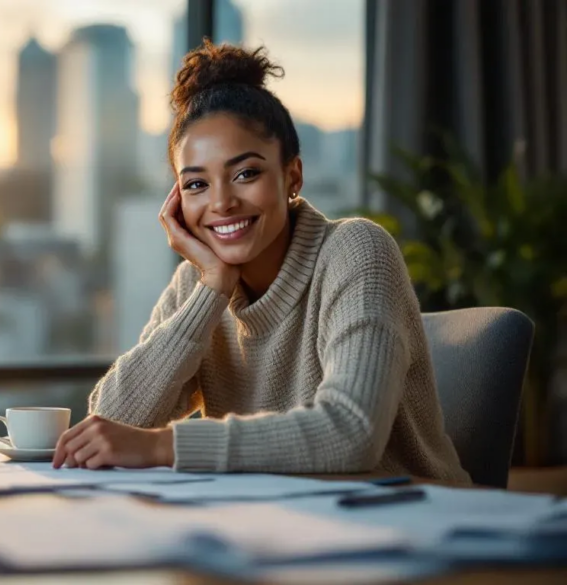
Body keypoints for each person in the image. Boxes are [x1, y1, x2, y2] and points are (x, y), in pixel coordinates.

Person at [52, 41, 470, 484]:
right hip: (280, 528)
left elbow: (351, 432)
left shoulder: (356, 251)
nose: (222, 202)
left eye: (245, 173)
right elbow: (110, 424)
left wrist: (162, 446)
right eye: (196, 184)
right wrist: (212, 289)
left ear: (292, 176)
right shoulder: (196, 286)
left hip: (408, 526)